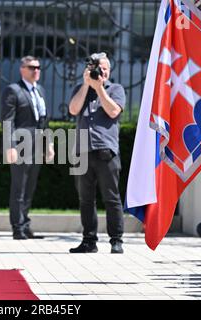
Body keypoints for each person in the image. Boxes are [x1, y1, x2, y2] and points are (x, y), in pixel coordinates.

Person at [68, 52, 126, 254]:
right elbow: (74, 110)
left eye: (103, 69)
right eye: (96, 68)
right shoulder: (80, 89)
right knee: (85, 199)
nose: (99, 72)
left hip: (106, 151)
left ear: (108, 71)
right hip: (83, 151)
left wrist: (99, 87)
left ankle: (116, 240)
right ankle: (89, 240)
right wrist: (86, 85)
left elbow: (113, 111)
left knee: (111, 198)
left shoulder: (115, 89)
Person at [1, 55, 54, 240]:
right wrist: (10, 146)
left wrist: (49, 144)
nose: (36, 70)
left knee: (30, 188)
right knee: (19, 188)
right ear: (22, 69)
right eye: (32, 67)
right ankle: (17, 227)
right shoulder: (13, 90)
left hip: (37, 146)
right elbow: (8, 120)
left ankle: (25, 224)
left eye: (38, 67)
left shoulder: (40, 90)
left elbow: (44, 120)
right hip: (21, 145)